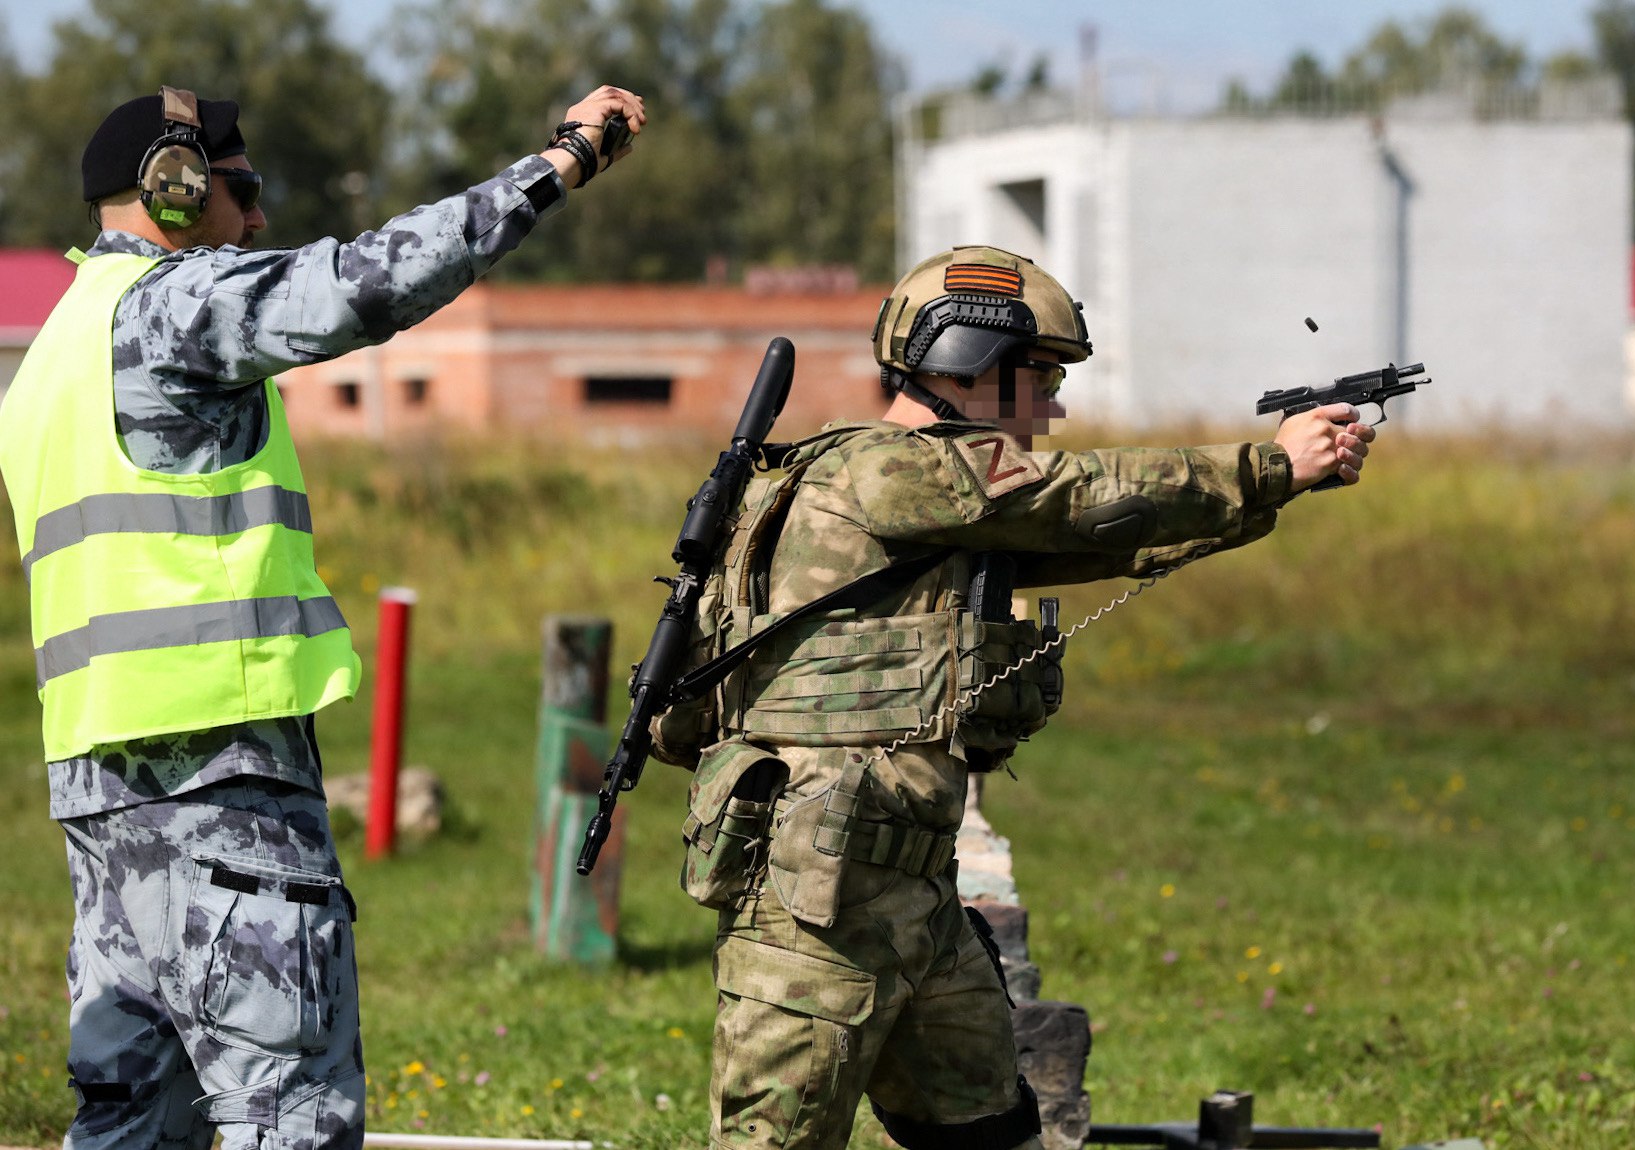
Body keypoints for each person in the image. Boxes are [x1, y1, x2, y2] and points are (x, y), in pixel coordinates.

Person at [0, 83, 646, 1150]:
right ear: (174, 188)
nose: (256, 221)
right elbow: (364, 283)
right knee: (285, 1114)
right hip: (228, 788)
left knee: (131, 1126)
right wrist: (558, 165)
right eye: (241, 190)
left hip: (102, 798)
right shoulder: (171, 307)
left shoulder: (53, 356)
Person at [656, 244, 1376, 1150]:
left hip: (912, 899)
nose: (1056, 403)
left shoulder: (935, 505)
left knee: (992, 1131)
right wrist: (1263, 466)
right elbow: (1079, 495)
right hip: (812, 913)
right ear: (967, 359)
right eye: (1041, 376)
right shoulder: (887, 473)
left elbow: (1111, 531)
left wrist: (1278, 487)